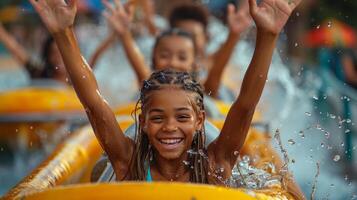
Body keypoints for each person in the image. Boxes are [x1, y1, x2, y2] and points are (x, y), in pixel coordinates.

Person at [28, 0, 303, 198]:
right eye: (158, 118)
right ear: (143, 122)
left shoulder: (214, 166)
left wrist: (268, 36)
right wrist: (63, 34)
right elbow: (93, 103)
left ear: (200, 121)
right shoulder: (128, 164)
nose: (170, 127)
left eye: (182, 117)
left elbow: (244, 105)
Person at [102, 0, 252, 101]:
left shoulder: (204, 87)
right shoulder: (149, 85)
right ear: (153, 61)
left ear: (194, 65)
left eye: (181, 57)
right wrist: (124, 34)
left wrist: (234, 36)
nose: (173, 62)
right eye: (165, 55)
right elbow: (140, 68)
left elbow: (216, 73)